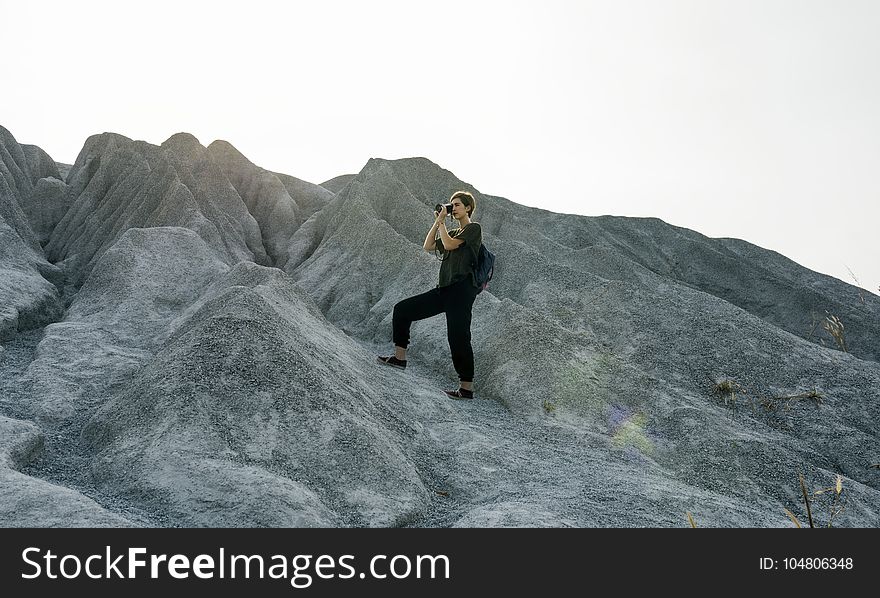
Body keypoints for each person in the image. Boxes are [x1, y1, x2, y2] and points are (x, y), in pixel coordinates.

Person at [377, 191, 482, 399]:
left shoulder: (473, 229)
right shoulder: (450, 231)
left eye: (458, 204)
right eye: (452, 205)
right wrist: (438, 221)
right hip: (444, 289)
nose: (454, 208)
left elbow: (451, 245)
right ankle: (400, 358)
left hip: (461, 291)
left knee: (458, 337)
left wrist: (443, 223)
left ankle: (466, 388)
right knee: (403, 310)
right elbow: (428, 246)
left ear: (468, 208)